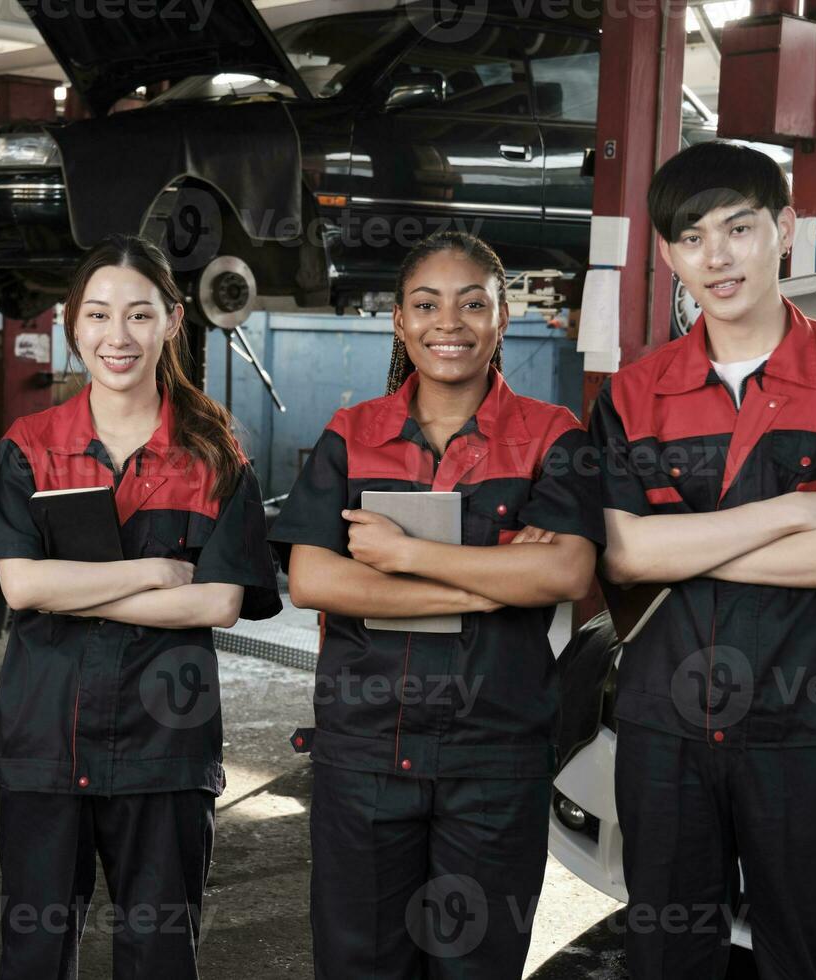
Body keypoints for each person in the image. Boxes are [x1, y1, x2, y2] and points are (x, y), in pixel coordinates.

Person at [588, 140, 816, 979]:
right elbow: (622, 550)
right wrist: (797, 511)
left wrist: (679, 551)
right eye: (690, 238)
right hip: (665, 729)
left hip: (807, 724)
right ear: (668, 254)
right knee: (666, 956)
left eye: (739, 228)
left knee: (811, 953)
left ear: (786, 229)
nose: (716, 257)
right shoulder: (632, 394)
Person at [268, 230, 603, 978]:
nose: (447, 323)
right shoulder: (350, 436)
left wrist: (403, 555)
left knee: (476, 964)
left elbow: (568, 573)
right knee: (361, 964)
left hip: (495, 753)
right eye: (426, 304)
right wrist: (486, 583)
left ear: (503, 315)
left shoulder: (554, 436)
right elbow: (315, 580)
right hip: (365, 750)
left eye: (471, 303)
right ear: (398, 320)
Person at [0, 233, 282, 979]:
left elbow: (222, 602)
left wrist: (82, 590)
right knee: (35, 955)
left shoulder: (214, 454)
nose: (117, 336)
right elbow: (23, 587)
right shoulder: (31, 446)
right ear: (72, 324)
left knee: (160, 956)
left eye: (139, 316)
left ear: (173, 320)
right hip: (45, 739)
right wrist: (153, 573)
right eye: (99, 315)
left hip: (165, 746)